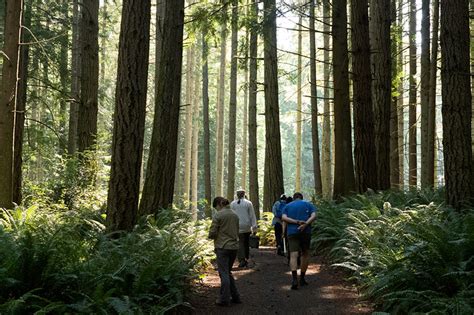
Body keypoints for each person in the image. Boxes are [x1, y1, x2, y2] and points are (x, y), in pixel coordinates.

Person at [208, 196, 241, 306]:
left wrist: (211, 236)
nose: (216, 209)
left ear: (219, 204)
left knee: (224, 273)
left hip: (222, 247)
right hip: (234, 247)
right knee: (228, 272)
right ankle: (236, 297)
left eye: (216, 207)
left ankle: (224, 299)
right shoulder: (235, 214)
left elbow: (212, 232)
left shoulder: (219, 215)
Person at [282, 192, 317, 290]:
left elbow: (284, 218)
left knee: (293, 255)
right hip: (306, 232)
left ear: (294, 198)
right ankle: (302, 278)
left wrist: (296, 222)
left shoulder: (288, 206)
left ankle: (294, 279)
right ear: (301, 198)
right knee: (305, 254)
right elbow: (314, 216)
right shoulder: (308, 204)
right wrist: (305, 224)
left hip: (292, 232)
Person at [230, 189, 257, 268]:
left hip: (237, 226)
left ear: (237, 195)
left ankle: (242, 259)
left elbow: (231, 216)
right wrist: (254, 227)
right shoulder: (248, 203)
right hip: (247, 226)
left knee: (240, 243)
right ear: (244, 194)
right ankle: (246, 258)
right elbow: (252, 215)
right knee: (246, 243)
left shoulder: (233, 204)